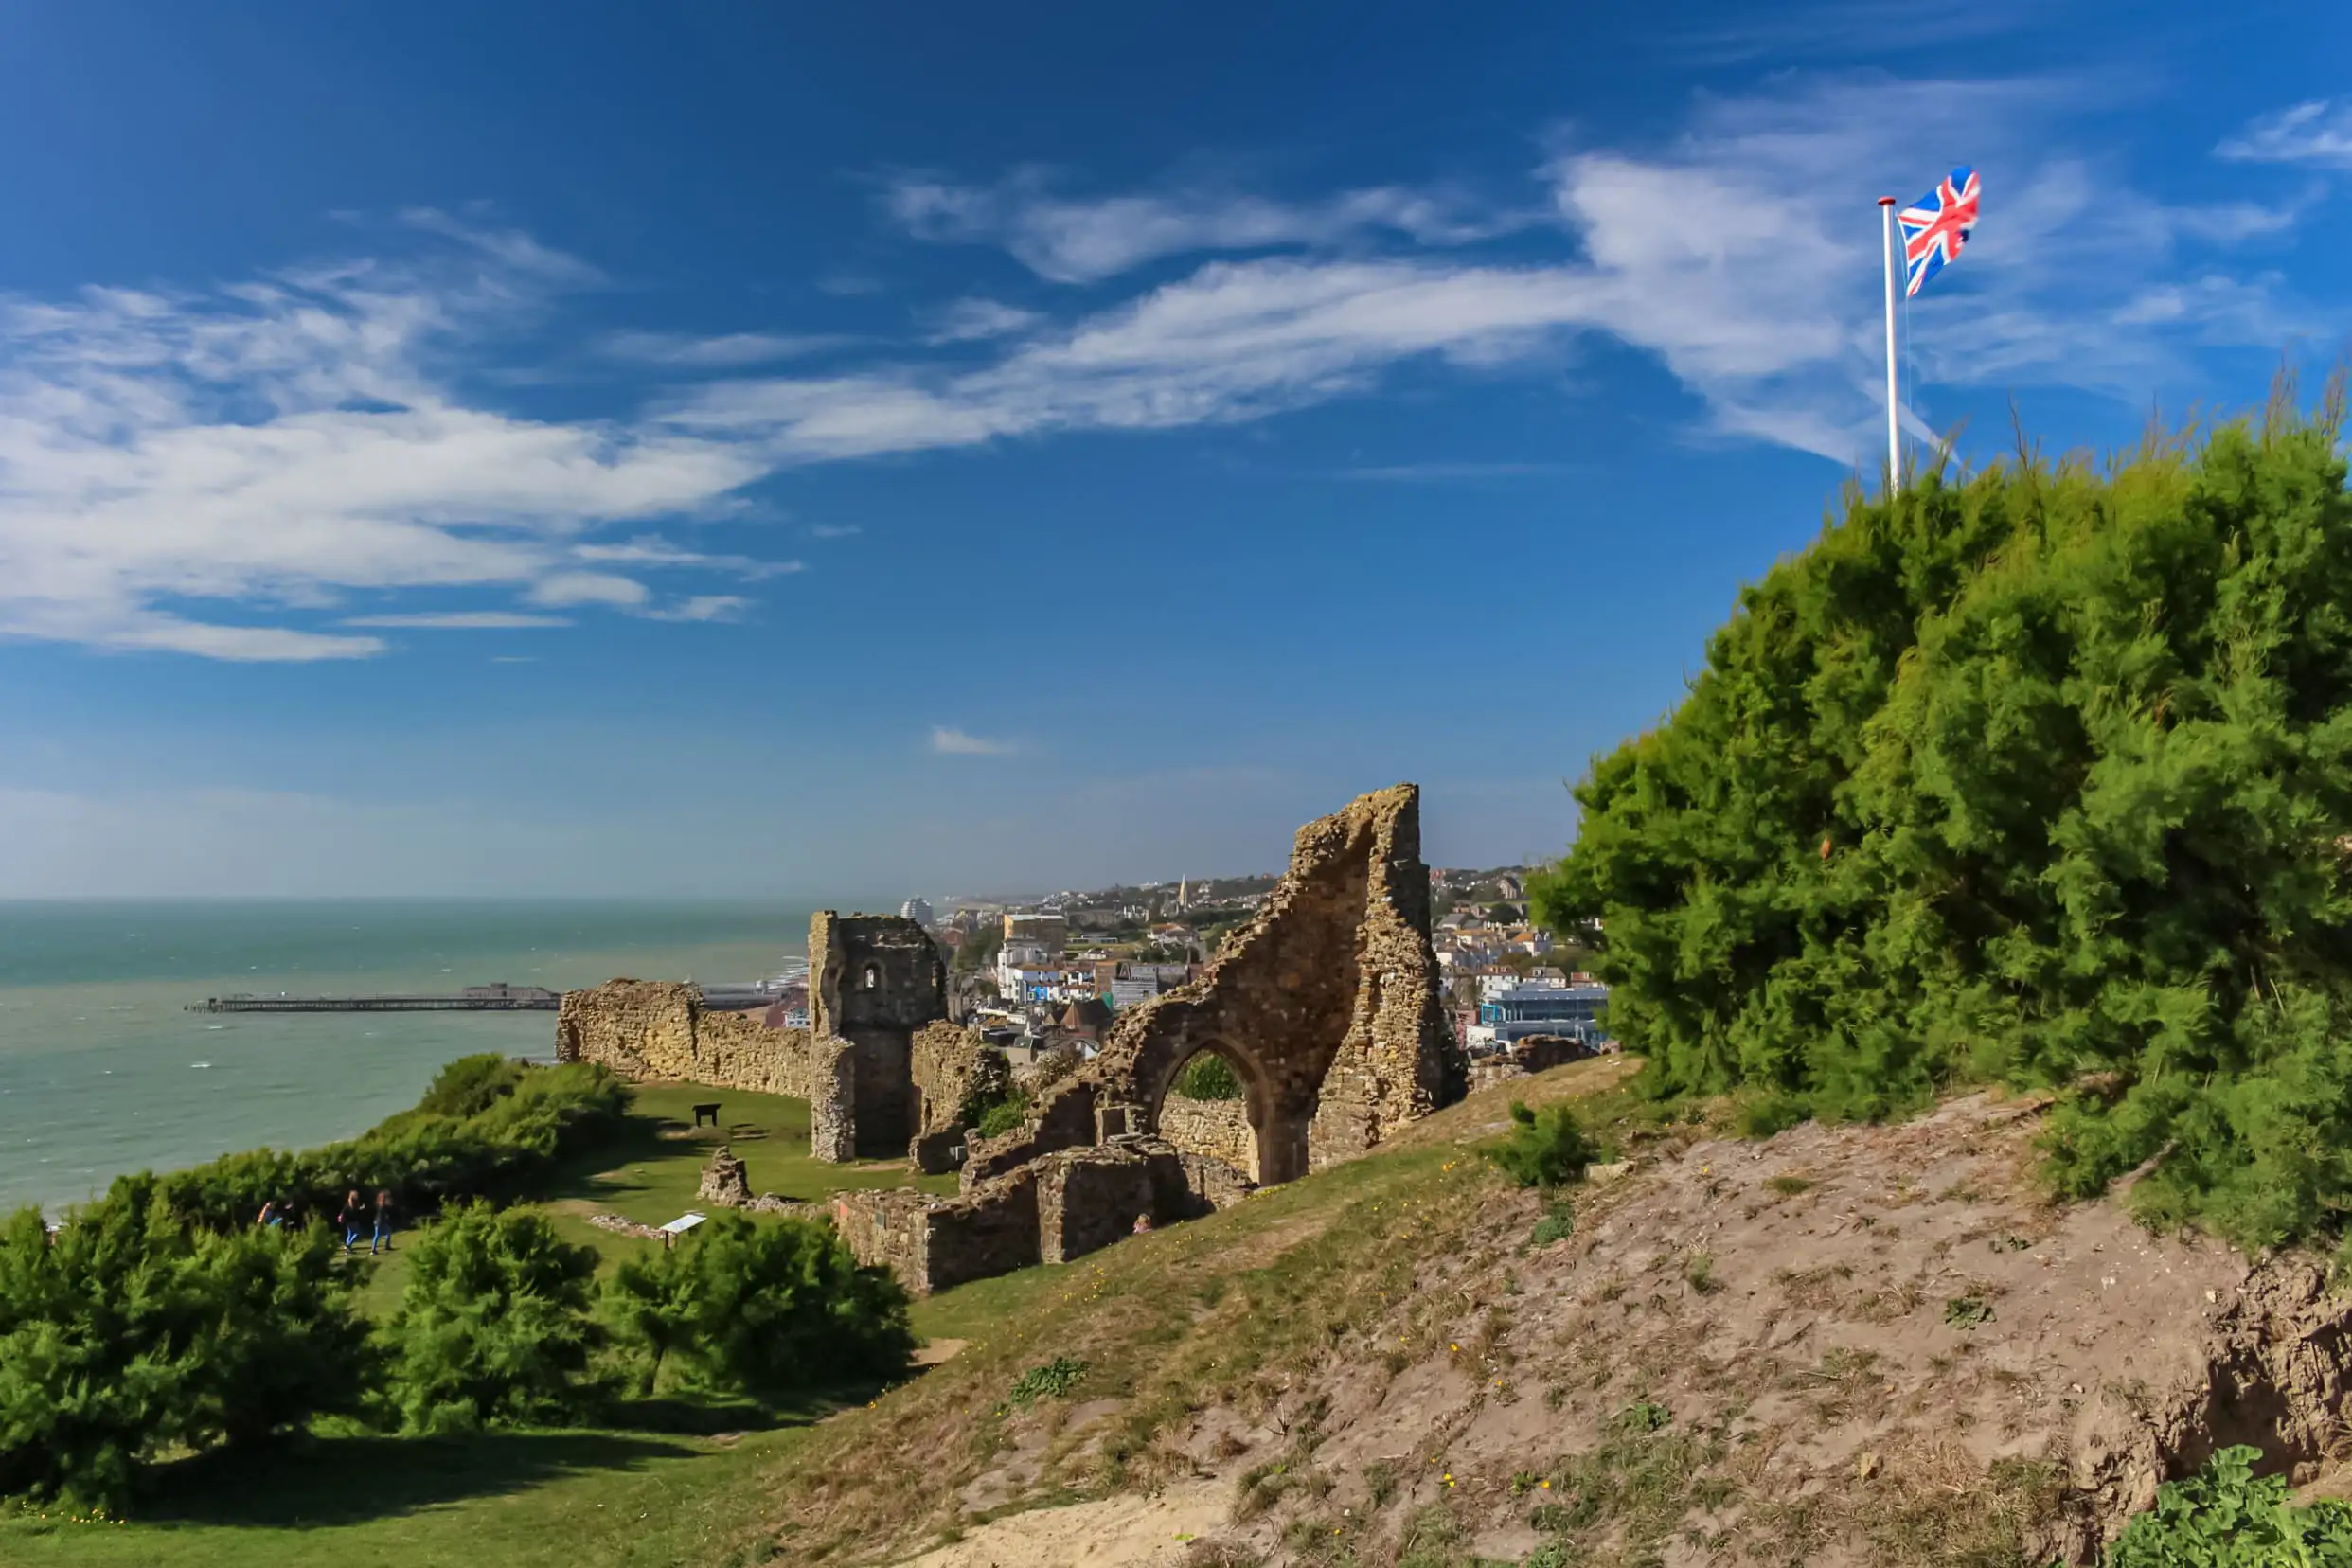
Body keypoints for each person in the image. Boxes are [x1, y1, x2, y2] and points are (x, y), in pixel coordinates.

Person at [338, 1188, 365, 1255]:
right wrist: (361, 1208)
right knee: (357, 1233)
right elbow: (355, 1212)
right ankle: (348, 1245)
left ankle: (348, 1251)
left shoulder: (348, 1203)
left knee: (349, 1234)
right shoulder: (355, 1203)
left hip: (348, 1221)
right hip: (353, 1221)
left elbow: (344, 1211)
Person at [370, 1188, 396, 1256]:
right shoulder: (380, 1205)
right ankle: (373, 1250)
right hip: (379, 1222)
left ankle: (387, 1246)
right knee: (377, 1235)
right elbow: (380, 1213)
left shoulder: (382, 1204)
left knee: (388, 1233)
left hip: (382, 1222)